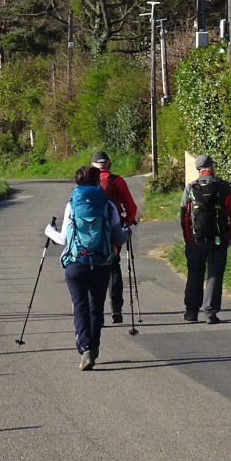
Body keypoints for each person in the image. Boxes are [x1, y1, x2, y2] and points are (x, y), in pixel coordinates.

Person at [45, 166, 122, 370]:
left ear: (77, 184)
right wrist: (129, 231)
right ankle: (93, 348)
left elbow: (63, 239)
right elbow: (118, 237)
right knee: (96, 307)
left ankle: (85, 348)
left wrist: (49, 231)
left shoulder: (72, 205)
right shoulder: (109, 205)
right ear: (98, 182)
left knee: (80, 306)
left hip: (76, 264)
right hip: (101, 264)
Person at [179, 155, 231, 324]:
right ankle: (210, 313)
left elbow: (184, 216)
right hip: (219, 239)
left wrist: (188, 240)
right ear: (212, 167)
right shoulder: (223, 186)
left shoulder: (191, 187)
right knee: (214, 274)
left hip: (196, 239)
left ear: (198, 170)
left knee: (194, 273)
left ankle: (191, 312)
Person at [91, 150, 138, 323]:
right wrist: (128, 222)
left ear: (93, 166)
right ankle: (116, 308)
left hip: (92, 233)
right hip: (113, 230)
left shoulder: (89, 182)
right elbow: (131, 207)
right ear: (108, 164)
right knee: (113, 267)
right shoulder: (118, 181)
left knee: (94, 269)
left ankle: (96, 312)